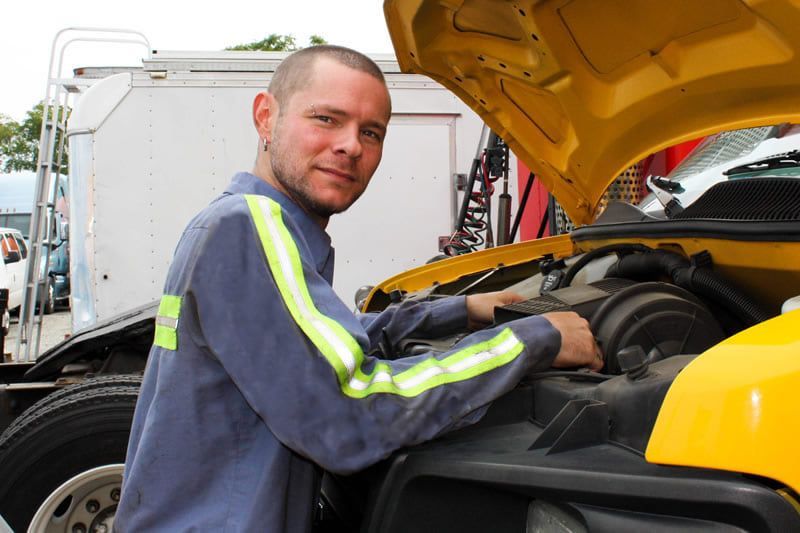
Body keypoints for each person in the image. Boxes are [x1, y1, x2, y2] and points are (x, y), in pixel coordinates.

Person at [115, 45, 601, 532]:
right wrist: (530, 341)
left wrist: (461, 311)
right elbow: (348, 415)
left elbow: (313, 344)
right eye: (327, 119)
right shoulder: (250, 228)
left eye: (371, 132)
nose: (351, 146)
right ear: (266, 117)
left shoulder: (237, 222)